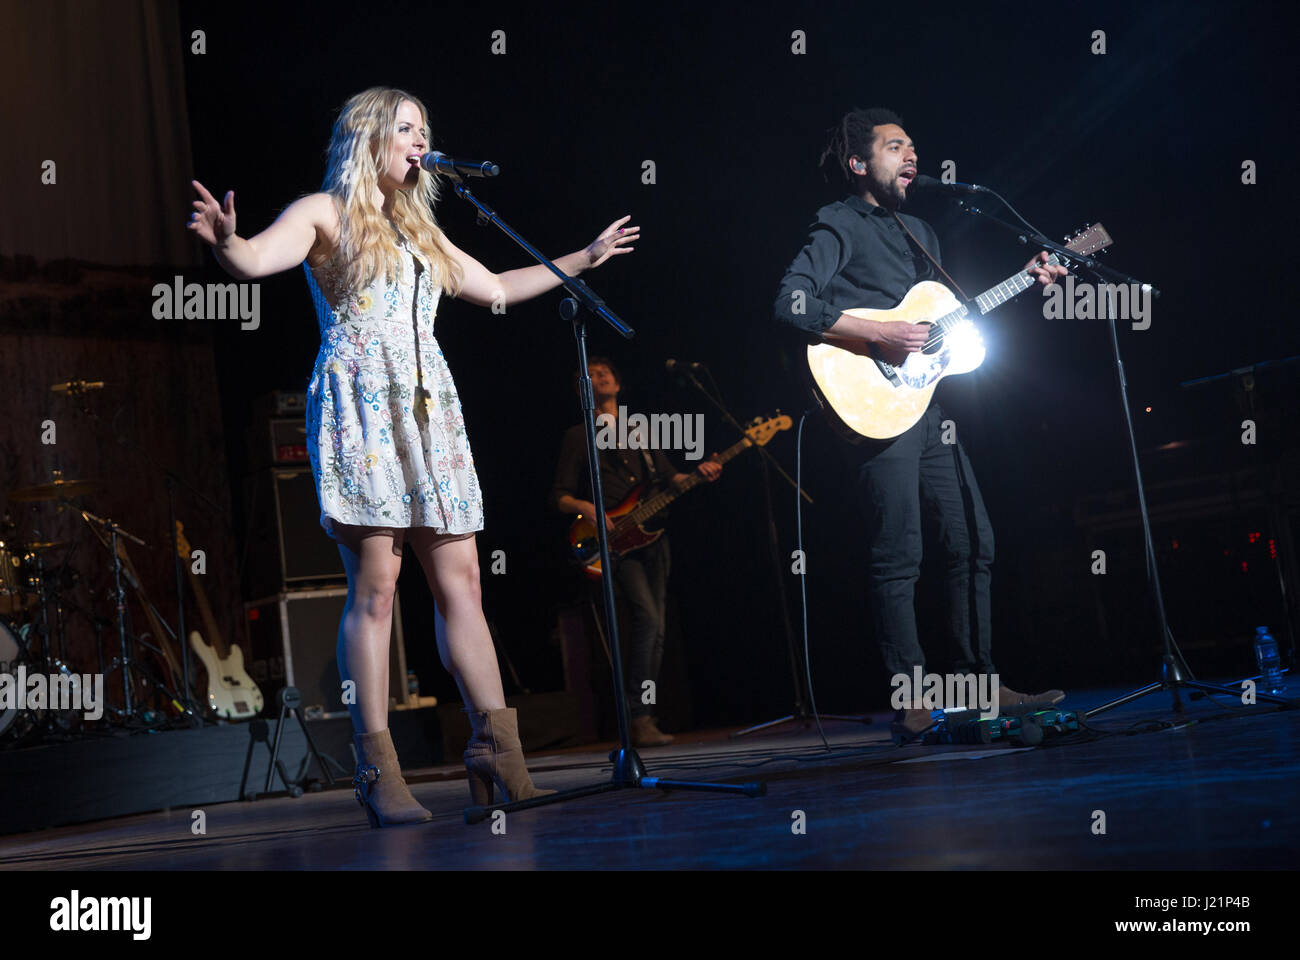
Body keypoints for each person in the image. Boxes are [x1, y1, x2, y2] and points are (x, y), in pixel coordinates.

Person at [189, 87, 638, 825]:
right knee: (378, 587)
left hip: (431, 414)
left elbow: (492, 286)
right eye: (406, 129)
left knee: (463, 579)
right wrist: (228, 242)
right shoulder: (324, 212)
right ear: (368, 138)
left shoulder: (421, 228)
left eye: (425, 131)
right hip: (365, 409)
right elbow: (258, 258)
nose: (419, 141)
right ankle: (377, 768)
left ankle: (500, 756)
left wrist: (580, 262)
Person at [773, 107, 1065, 744]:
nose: (911, 155)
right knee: (898, 554)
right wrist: (876, 332)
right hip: (875, 410)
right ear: (859, 164)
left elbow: (941, 321)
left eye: (913, 146)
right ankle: (911, 698)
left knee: (972, 540)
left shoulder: (921, 233)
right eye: (895, 146)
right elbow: (790, 302)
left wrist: (1029, 278)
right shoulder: (839, 223)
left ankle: (979, 688)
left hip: (926, 408)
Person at [552, 357, 720, 746]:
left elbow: (668, 478)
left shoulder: (639, 429)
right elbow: (557, 495)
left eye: (605, 371)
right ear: (582, 392)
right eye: (589, 376)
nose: (600, 376)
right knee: (646, 618)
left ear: (618, 382)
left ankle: (642, 715)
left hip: (653, 536)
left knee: (657, 629)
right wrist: (588, 508)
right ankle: (638, 716)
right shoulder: (578, 436)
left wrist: (699, 471)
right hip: (613, 541)